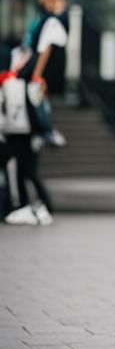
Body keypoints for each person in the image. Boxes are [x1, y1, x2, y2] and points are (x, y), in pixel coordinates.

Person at [1, 47, 55, 225]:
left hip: (22, 133)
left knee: (26, 171)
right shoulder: (11, 80)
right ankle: (25, 205)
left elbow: (38, 110)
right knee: (22, 172)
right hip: (15, 132)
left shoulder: (27, 82)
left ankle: (32, 206)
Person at [23, 0, 69, 147]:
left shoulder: (52, 21)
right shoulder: (51, 19)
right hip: (46, 67)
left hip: (45, 69)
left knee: (39, 98)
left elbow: (45, 49)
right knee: (40, 98)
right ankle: (43, 131)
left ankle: (45, 130)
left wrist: (37, 73)